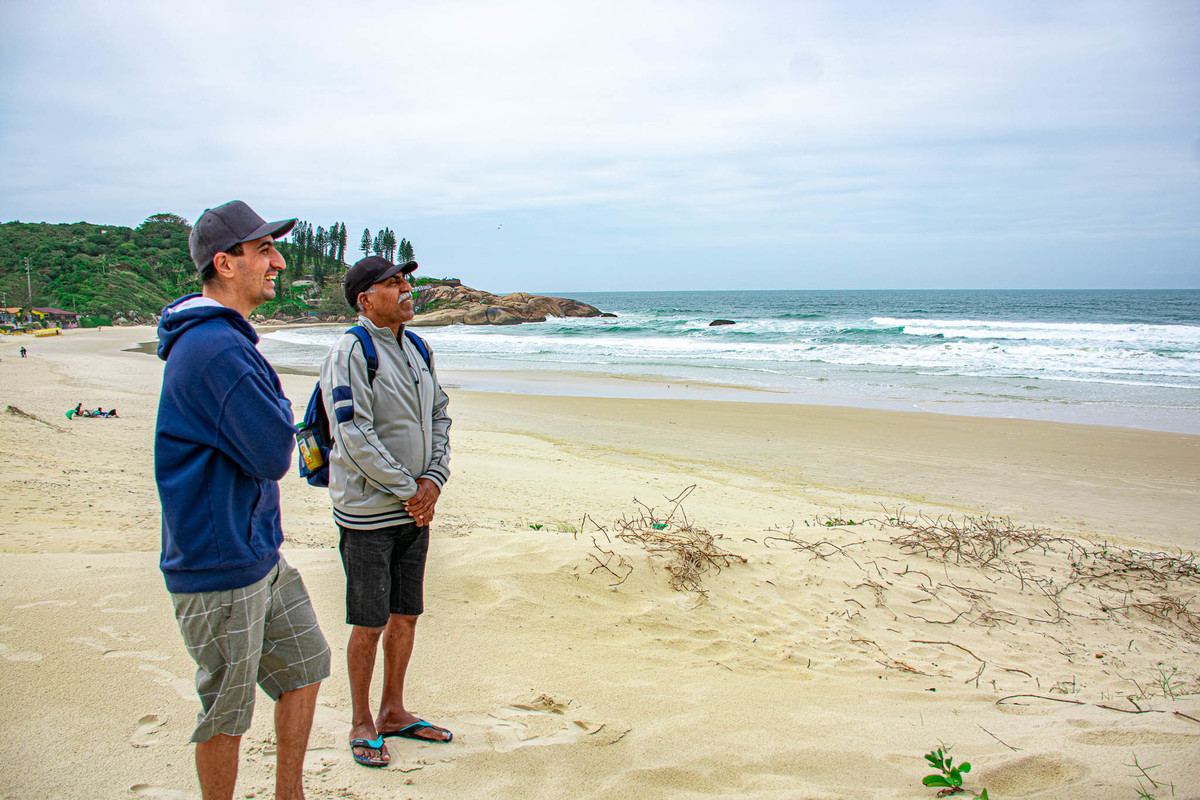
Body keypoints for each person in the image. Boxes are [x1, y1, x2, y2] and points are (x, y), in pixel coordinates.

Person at [154, 200, 331, 800]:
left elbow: (267, 433)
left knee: (305, 665)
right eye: (264, 251)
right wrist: (283, 411)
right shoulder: (216, 350)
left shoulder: (225, 342)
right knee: (226, 712)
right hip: (218, 563)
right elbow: (272, 452)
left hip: (254, 552)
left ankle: (290, 792)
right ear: (225, 264)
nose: (278, 261)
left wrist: (276, 410)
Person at [320, 255, 452, 768]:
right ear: (365, 299)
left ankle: (394, 711)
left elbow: (440, 414)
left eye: (406, 281)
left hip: (414, 512)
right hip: (369, 515)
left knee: (406, 615)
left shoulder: (418, 347)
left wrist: (433, 481)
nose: (406, 289)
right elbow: (351, 433)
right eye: (393, 283)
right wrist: (408, 489)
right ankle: (361, 720)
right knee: (368, 622)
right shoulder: (351, 351)